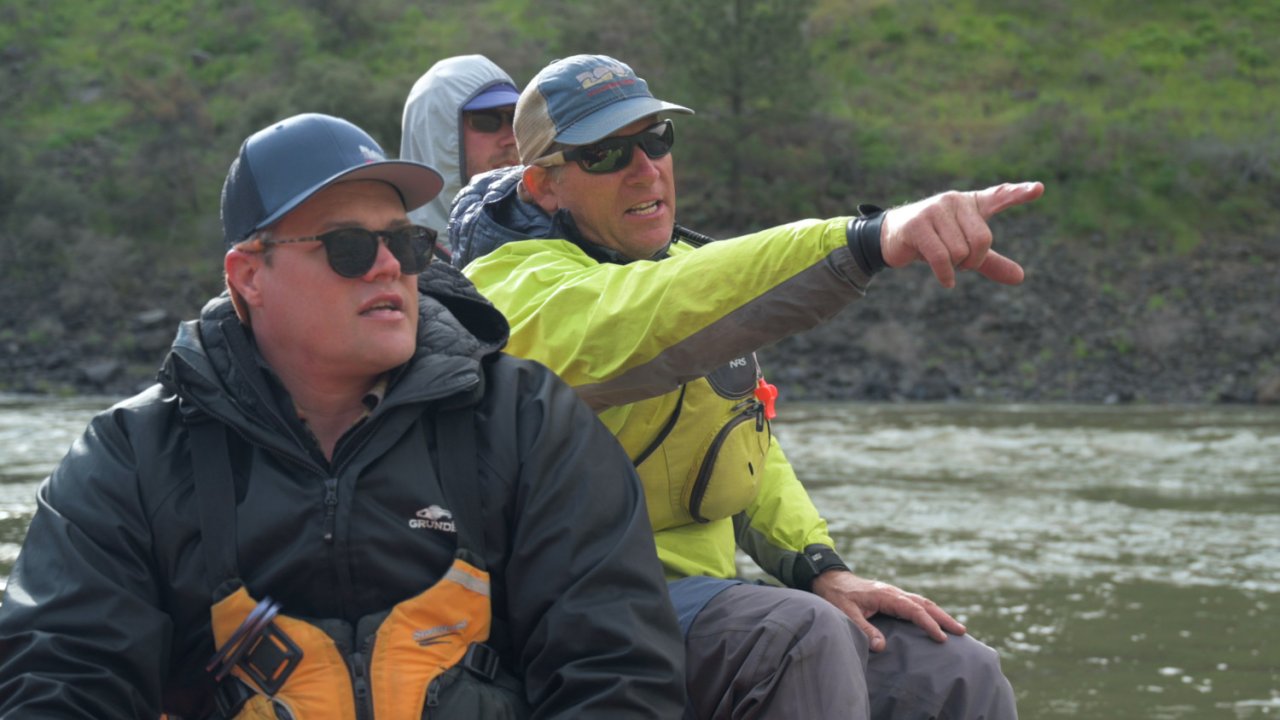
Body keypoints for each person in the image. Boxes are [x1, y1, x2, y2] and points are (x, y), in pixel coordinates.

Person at [0, 112, 686, 718]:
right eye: (348, 248)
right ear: (249, 277)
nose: (389, 267)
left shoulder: (529, 422)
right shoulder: (131, 458)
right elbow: (60, 679)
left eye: (408, 243)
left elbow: (616, 674)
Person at [451, 54, 1040, 719]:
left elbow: (743, 440)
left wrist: (819, 566)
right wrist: (870, 238)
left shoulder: (685, 265)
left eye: (656, 140)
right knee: (795, 636)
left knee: (953, 668)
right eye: (606, 154)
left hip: (702, 600)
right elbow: (648, 312)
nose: (644, 167)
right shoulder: (507, 290)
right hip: (572, 611)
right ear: (545, 187)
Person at [401, 54, 520, 258]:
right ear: (436, 132)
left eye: (516, 118)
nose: (511, 139)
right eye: (487, 120)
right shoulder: (394, 259)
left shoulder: (552, 233)